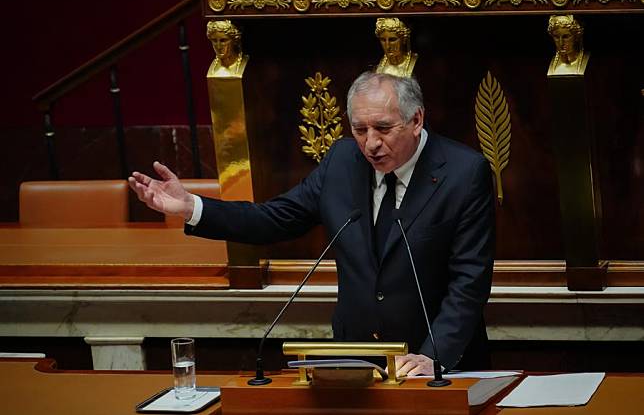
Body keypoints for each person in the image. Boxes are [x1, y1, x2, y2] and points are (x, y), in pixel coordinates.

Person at [129, 72, 495, 376]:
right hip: (354, 361)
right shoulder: (342, 161)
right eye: (360, 129)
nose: (371, 144)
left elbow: (470, 280)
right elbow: (274, 219)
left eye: (383, 128)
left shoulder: (464, 173)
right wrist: (190, 206)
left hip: (434, 366)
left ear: (416, 120)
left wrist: (434, 356)